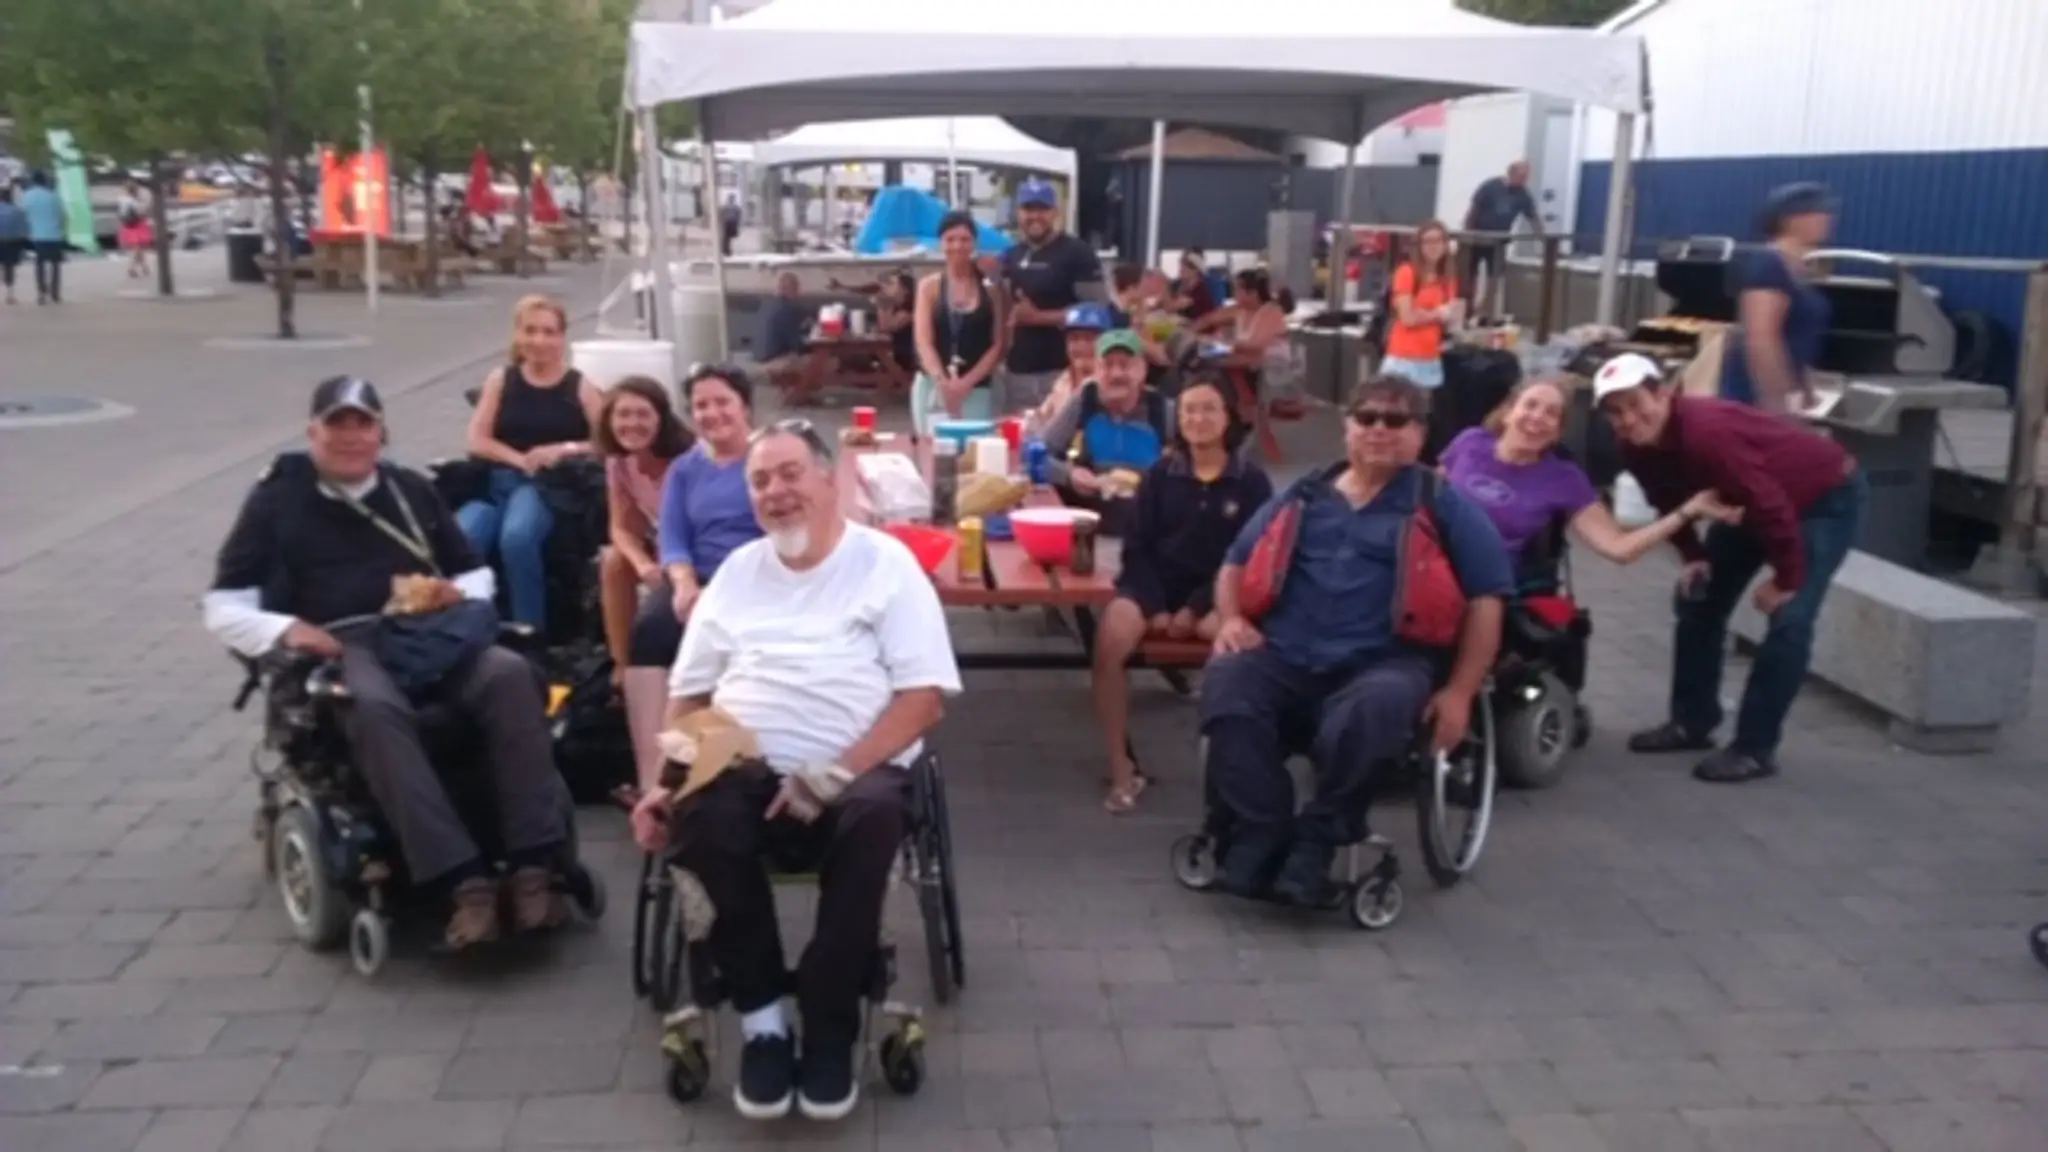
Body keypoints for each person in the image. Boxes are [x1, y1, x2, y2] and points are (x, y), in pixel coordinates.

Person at [629, 421, 961, 1123]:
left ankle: (830, 1017)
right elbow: (690, 696)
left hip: (858, 769)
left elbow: (924, 699)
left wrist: (832, 772)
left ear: (829, 480)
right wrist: (664, 780)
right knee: (702, 813)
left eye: (789, 474)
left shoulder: (885, 566)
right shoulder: (738, 578)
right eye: (760, 481)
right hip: (743, 764)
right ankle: (761, 1021)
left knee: (874, 816)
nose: (776, 492)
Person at [203, 377, 569, 948]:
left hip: (425, 633)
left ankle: (534, 867)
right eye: (337, 424)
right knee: (373, 706)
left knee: (510, 675)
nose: (351, 437)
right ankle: (462, 882)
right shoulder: (277, 499)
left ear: (381, 432)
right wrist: (287, 629)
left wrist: (456, 596)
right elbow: (223, 604)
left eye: (362, 424)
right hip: (340, 641)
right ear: (312, 432)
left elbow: (472, 569)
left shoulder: (409, 491)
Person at [1201, 375, 1515, 903]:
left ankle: (1319, 838)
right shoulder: (1303, 495)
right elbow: (1234, 562)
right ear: (1346, 427)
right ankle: (1263, 827)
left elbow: (1488, 599)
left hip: (1383, 661)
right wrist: (1231, 618)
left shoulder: (1444, 505)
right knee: (1227, 685)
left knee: (1374, 706)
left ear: (1420, 434)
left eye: (1396, 421)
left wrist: (1460, 691)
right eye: (1366, 417)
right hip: (1285, 654)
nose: (1378, 430)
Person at [1593, 353, 1867, 784]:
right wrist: (1695, 557)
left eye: (1635, 403)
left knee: (1790, 619)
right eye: (1616, 411)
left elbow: (1772, 505)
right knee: (1697, 599)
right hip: (1747, 500)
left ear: (1661, 394)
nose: (1628, 418)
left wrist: (1785, 579)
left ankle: (1755, 749)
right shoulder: (1633, 446)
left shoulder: (1707, 432)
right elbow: (1666, 501)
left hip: (1822, 497)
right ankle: (1692, 722)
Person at [1093, 376, 1272, 813]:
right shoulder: (1160, 474)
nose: (1198, 419)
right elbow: (1136, 548)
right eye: (1189, 409)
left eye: (1209, 409)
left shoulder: (1250, 482)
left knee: (1230, 643)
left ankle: (1228, 767)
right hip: (1154, 586)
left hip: (1218, 592)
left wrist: (1193, 609)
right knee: (1111, 637)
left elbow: (1248, 559)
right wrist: (1153, 606)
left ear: (1229, 417)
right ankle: (1122, 768)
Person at [1440, 377, 1742, 585]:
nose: (1537, 418)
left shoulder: (1563, 479)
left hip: (1486, 583)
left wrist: (1687, 511)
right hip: (1433, 564)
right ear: (1508, 413)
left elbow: (1618, 547)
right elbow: (1427, 495)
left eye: (1551, 414)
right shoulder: (1470, 443)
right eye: (1530, 405)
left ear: (1558, 432)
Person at [624, 366, 767, 799]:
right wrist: (683, 582)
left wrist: (725, 588)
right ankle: (653, 777)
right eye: (701, 405)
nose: (711, 413)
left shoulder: (765, 460)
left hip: (755, 578)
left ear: (744, 406)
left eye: (722, 401)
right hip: (698, 576)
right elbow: (673, 536)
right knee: (650, 630)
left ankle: (722, 755)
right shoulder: (686, 469)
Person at [458, 295, 602, 631]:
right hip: (498, 482)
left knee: (517, 536)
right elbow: (478, 439)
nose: (539, 341)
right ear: (517, 335)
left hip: (547, 487)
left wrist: (564, 449)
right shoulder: (502, 379)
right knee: (461, 537)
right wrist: (519, 459)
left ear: (562, 338)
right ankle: (465, 627)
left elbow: (606, 443)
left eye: (549, 332)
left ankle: (530, 628)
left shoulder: (578, 385)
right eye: (530, 331)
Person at [594, 375, 694, 694]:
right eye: (623, 415)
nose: (632, 424)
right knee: (613, 562)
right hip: (660, 543)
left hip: (691, 548)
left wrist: (671, 564)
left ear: (660, 419)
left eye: (642, 414)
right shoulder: (619, 463)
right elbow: (620, 526)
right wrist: (641, 563)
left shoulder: (685, 460)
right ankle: (622, 666)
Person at [1038, 329, 1173, 529]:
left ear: (1142, 370)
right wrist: (1069, 474)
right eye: (1107, 365)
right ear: (1096, 371)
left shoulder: (1162, 410)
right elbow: (1036, 454)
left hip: (1150, 526)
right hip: (1092, 523)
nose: (1116, 374)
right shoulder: (1084, 402)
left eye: (1125, 365)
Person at [1723, 183, 1836, 413]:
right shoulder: (1768, 266)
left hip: (1783, 402)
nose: (1827, 218)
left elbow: (1794, 339)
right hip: (1752, 405)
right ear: (1790, 220)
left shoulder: (1801, 270)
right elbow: (1761, 342)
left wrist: (1806, 390)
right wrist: (1778, 409)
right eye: (1817, 212)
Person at [1000, 178, 1103, 414]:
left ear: (1055, 212)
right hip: (1019, 371)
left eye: (1042, 209)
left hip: (1063, 368)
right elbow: (1005, 306)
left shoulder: (1078, 253)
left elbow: (1098, 309)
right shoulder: (1012, 255)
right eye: (1028, 209)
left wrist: (1039, 317)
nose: (1035, 216)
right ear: (1018, 213)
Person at [911, 211, 1007, 436]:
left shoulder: (991, 288)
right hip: (934, 386)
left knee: (975, 454)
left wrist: (965, 384)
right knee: (934, 452)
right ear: (941, 244)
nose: (957, 246)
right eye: (950, 239)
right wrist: (942, 382)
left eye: (964, 239)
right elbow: (923, 340)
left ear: (974, 243)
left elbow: (998, 343)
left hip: (976, 387)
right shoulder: (929, 287)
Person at [1380, 220, 1461, 390]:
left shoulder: (1448, 279)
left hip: (1430, 356)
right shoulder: (1407, 272)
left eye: (1438, 241)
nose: (1434, 247)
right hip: (1403, 357)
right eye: (1428, 241)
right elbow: (1408, 317)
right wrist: (1437, 314)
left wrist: (1437, 316)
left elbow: (1451, 317)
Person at [1463, 160, 1541, 315]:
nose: (1525, 180)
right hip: (1477, 239)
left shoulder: (1522, 194)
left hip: (1498, 243)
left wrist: (1543, 237)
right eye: (1522, 176)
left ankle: (1485, 312)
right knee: (1469, 276)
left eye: (1527, 177)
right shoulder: (1490, 186)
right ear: (1512, 173)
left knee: (1494, 279)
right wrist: (1467, 235)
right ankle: (1467, 309)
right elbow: (1473, 210)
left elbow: (1533, 217)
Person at [1036, 302, 1112, 425]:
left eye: (1089, 339)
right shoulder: (1065, 379)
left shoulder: (1114, 385)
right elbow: (1041, 418)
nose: (1080, 347)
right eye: (1074, 338)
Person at [759, 272, 821, 403]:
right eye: (797, 288)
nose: (799, 292)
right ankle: (800, 394)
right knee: (823, 361)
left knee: (816, 358)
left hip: (765, 357)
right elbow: (796, 344)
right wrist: (815, 344)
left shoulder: (771, 305)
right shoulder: (786, 310)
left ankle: (799, 392)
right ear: (790, 289)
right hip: (777, 359)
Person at [21, 170, 65, 305]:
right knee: (55, 265)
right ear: (45, 181)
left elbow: (24, 215)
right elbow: (61, 215)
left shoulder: (27, 196)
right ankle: (55, 293)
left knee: (39, 264)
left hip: (37, 236)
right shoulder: (53, 196)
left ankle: (41, 293)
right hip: (54, 235)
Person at [1168, 249, 1219, 321]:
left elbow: (1171, 308)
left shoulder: (1200, 293)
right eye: (1181, 267)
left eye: (1185, 268)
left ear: (1195, 271)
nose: (1180, 270)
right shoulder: (1182, 289)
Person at [118, 179, 153, 280]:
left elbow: (121, 213)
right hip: (138, 224)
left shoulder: (122, 199)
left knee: (139, 248)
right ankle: (132, 268)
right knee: (139, 248)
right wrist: (148, 208)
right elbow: (140, 212)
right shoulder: (132, 201)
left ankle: (144, 267)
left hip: (128, 225)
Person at [0, 187, 25, 306]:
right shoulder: (17, 210)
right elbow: (22, 229)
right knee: (9, 268)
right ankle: (10, 295)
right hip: (11, 242)